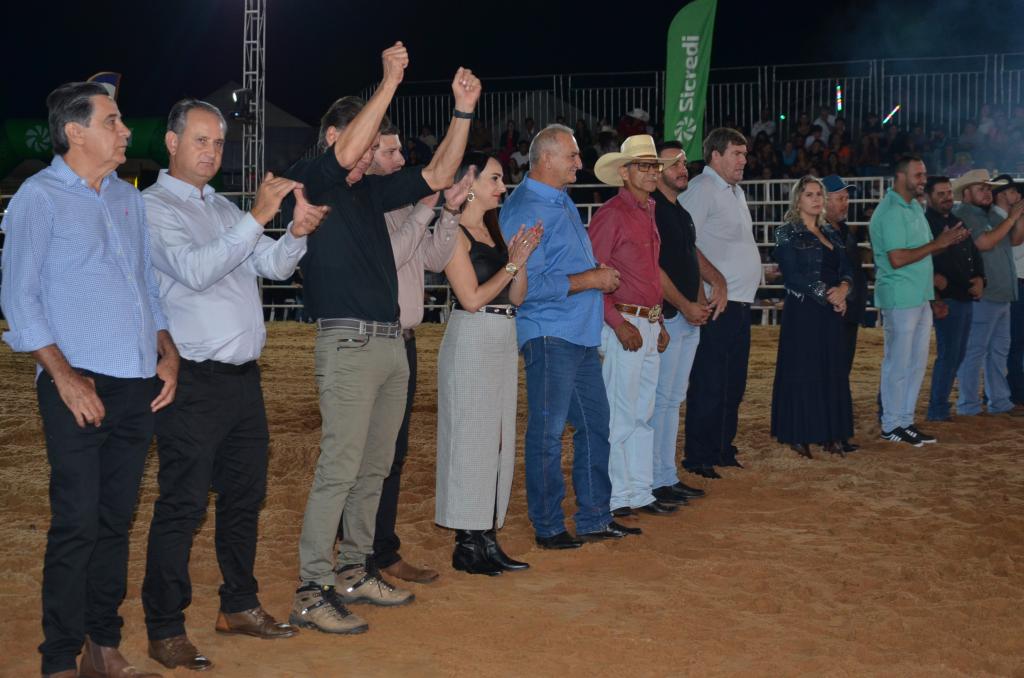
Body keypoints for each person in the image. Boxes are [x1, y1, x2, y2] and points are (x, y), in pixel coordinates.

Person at [285, 42, 480, 634]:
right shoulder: (315, 179)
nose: (373, 153)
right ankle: (311, 587)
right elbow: (347, 152)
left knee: (374, 468)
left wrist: (463, 112)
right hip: (347, 343)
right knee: (340, 468)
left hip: (391, 344)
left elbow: (440, 176)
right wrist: (389, 81)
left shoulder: (369, 193)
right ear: (337, 136)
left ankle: (354, 568)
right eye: (368, 143)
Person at [139, 99, 328, 671]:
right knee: (183, 504)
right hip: (192, 380)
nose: (211, 151)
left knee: (244, 499)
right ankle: (165, 627)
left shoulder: (222, 207)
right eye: (200, 140)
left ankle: (239, 605)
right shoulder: (152, 208)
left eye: (218, 142)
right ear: (172, 143)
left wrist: (295, 232)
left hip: (244, 380)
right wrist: (258, 215)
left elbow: (271, 265)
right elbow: (195, 270)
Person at [1, 81, 178, 678]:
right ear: (75, 132)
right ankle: (58, 659)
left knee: (115, 521)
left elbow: (145, 285)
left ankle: (102, 643)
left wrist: (167, 351)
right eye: (113, 121)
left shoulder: (128, 198)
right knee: (76, 523)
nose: (125, 131)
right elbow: (18, 298)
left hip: (137, 382)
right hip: (76, 385)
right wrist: (64, 377)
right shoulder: (39, 197)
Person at [334, 126, 462, 586]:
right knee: (362, 453)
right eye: (388, 151)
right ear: (367, 154)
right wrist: (426, 207)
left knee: (392, 452)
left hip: (402, 341)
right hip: (369, 341)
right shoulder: (364, 204)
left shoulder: (403, 205)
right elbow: (390, 256)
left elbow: (433, 259)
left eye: (398, 150)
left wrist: (449, 213)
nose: (399, 159)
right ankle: (358, 549)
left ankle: (380, 548)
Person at [499, 124, 627, 549]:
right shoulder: (525, 209)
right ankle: (549, 525)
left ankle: (594, 516)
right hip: (549, 332)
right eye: (572, 156)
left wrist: (591, 278)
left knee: (594, 425)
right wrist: (591, 279)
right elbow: (524, 286)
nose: (579, 162)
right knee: (548, 432)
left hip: (577, 333)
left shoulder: (558, 199)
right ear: (547, 159)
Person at [436, 153, 542, 573]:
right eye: (495, 179)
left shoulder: (494, 231)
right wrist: (512, 262)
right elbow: (472, 298)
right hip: (472, 336)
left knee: (497, 437)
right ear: (470, 184)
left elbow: (516, 297)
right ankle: (468, 541)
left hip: (501, 334)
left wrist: (520, 257)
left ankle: (485, 536)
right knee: (470, 437)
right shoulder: (453, 233)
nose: (502, 186)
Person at [588, 134, 677, 520]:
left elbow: (646, 274)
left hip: (645, 321)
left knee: (641, 411)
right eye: (644, 166)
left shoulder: (646, 210)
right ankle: (617, 495)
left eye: (654, 165)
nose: (652, 172)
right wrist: (617, 322)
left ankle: (637, 491)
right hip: (625, 322)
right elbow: (593, 273)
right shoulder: (611, 214)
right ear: (624, 172)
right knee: (624, 412)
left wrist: (659, 321)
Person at [679, 127, 761, 479]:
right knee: (710, 381)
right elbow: (685, 242)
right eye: (736, 154)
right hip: (717, 303)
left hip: (738, 303)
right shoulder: (702, 189)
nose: (744, 160)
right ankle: (698, 455)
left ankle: (722, 447)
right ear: (715, 155)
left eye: (745, 154)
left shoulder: (734, 191)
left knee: (733, 382)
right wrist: (713, 282)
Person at [869, 156, 967, 446]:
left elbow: (921, 253)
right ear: (901, 177)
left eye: (924, 174)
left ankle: (905, 421)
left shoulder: (913, 207)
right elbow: (897, 258)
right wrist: (938, 243)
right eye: (919, 175)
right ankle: (891, 424)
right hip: (900, 296)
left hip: (919, 295)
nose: (924, 180)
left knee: (915, 363)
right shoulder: (890, 211)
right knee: (898, 363)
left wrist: (945, 243)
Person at [649, 141, 715, 504]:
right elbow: (654, 270)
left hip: (686, 317)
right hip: (668, 318)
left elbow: (689, 259)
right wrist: (687, 305)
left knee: (673, 400)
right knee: (660, 401)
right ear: (656, 170)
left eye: (683, 162)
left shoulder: (680, 211)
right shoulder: (653, 210)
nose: (682, 168)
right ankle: (654, 479)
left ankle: (666, 474)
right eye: (672, 163)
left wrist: (700, 301)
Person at [770, 176, 854, 458]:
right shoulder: (785, 232)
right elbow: (792, 276)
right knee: (803, 371)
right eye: (809, 194)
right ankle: (798, 434)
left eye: (819, 194)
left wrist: (843, 290)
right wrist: (829, 295)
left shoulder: (831, 232)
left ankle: (831, 434)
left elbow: (847, 269)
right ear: (798, 200)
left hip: (830, 310)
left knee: (832, 370)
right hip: (804, 310)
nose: (817, 199)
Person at [952, 170, 1024, 416]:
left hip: (1001, 292)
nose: (987, 192)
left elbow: (1014, 240)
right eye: (981, 188)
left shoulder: (990, 214)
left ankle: (999, 401)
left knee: (998, 351)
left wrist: (1017, 215)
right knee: (976, 350)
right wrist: (1012, 217)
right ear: (966, 192)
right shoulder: (965, 214)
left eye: (988, 188)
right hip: (985, 293)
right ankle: (969, 404)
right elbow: (984, 243)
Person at [923, 176, 984, 422]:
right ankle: (937, 408)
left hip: (963, 294)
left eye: (948, 192)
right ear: (928, 197)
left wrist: (980, 277)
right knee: (950, 354)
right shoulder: (926, 223)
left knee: (956, 354)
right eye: (941, 194)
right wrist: (936, 292)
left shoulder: (957, 221)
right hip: (946, 297)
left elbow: (973, 253)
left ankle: (939, 405)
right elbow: (925, 259)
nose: (947, 197)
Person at [822, 174, 866, 452]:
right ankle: (830, 434)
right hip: (833, 315)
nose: (845, 202)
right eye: (840, 198)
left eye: (846, 197)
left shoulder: (843, 231)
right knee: (832, 374)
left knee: (839, 374)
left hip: (847, 315)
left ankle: (836, 432)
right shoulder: (822, 233)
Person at [991, 175, 1024, 405]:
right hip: (1013, 283)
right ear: (1001, 195)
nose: (1018, 196)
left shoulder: (1007, 217)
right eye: (1013, 192)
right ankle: (1012, 390)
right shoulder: (998, 219)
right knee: (1011, 343)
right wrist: (1018, 216)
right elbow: (1016, 241)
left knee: (1013, 342)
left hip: (1016, 283)